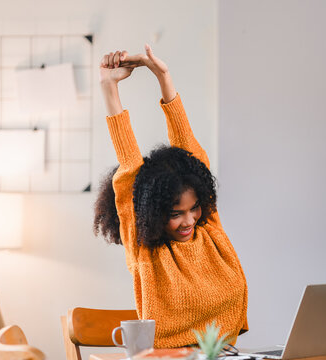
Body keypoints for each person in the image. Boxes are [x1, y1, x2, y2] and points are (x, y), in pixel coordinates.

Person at [94, 45, 248, 348]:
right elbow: (129, 166)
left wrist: (163, 76)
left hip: (227, 355)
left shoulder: (209, 229)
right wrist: (108, 85)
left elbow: (190, 149)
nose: (188, 220)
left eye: (194, 209)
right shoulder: (144, 248)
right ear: (151, 213)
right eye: (175, 214)